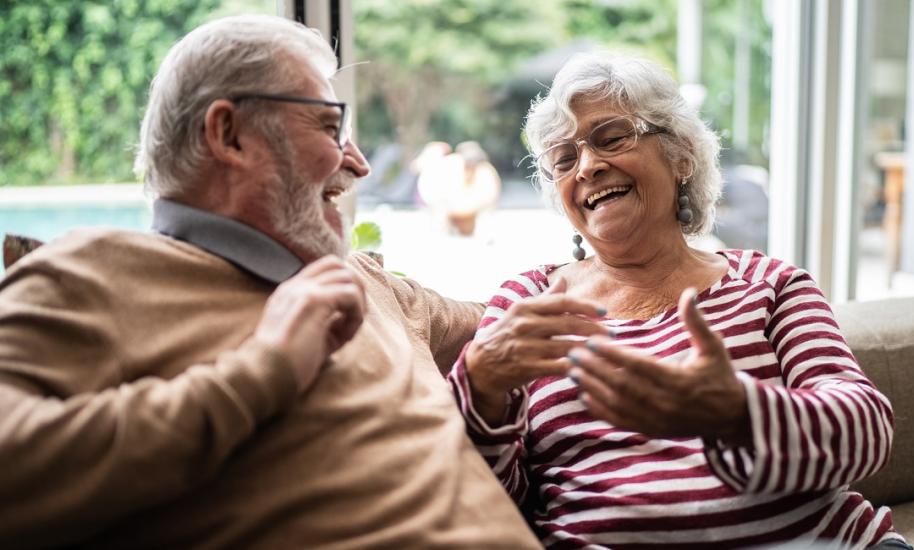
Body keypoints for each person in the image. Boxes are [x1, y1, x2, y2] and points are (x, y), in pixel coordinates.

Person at [0, 15, 540, 549]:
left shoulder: (366, 282)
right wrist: (264, 371)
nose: (360, 166)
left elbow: (523, 315)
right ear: (229, 135)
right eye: (331, 129)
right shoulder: (92, 273)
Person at [447, 53, 911, 549]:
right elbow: (492, 501)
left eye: (611, 138)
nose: (587, 167)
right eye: (564, 158)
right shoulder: (529, 303)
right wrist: (480, 390)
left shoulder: (770, 284)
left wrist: (736, 412)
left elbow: (866, 431)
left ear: (681, 155)